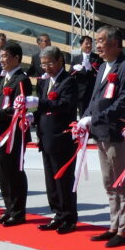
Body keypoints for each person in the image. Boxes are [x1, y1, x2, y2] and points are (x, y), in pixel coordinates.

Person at [79, 26, 125, 246]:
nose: (98, 45)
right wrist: (84, 118)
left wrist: (94, 119)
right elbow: (94, 99)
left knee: (121, 181)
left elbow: (123, 103)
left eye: (102, 41)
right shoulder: (103, 66)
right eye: (97, 41)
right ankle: (113, 225)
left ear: (115, 43)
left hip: (116, 132)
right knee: (108, 181)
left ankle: (124, 230)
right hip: (101, 132)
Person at [0, 41, 33, 226]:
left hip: (13, 135)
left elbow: (18, 110)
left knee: (14, 173)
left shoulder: (22, 80)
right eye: (1, 56)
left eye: (5, 56)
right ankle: (9, 208)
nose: (2, 60)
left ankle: (18, 211)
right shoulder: (4, 78)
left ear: (17, 58)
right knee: (3, 174)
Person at [36, 46, 82, 233]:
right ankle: (57, 213)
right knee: (51, 179)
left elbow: (64, 104)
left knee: (64, 179)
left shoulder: (68, 81)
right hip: (46, 137)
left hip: (62, 138)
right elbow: (42, 107)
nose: (46, 67)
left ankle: (69, 217)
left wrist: (39, 103)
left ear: (60, 61)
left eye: (49, 63)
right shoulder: (45, 82)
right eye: (43, 64)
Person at [70, 34, 100, 110]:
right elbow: (70, 74)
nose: (89, 45)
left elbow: (101, 73)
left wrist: (90, 68)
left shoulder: (97, 58)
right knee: (82, 113)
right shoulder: (76, 59)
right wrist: (74, 69)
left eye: (90, 43)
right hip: (80, 91)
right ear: (81, 45)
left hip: (93, 91)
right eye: (86, 43)